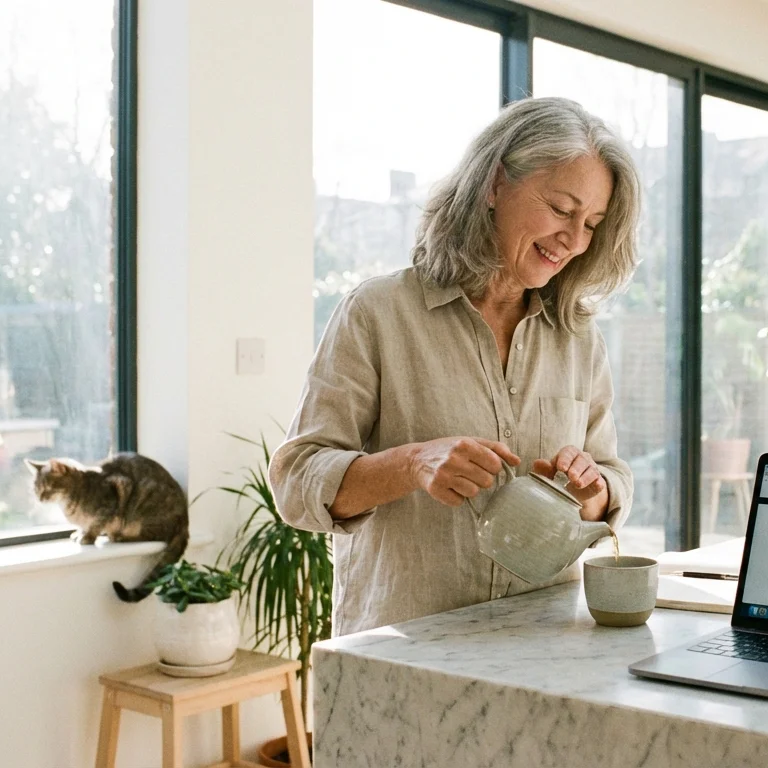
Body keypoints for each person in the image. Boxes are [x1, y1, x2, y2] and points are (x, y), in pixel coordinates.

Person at [270, 97, 641, 636]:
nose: (574, 239)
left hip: (543, 650)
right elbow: (296, 480)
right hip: (404, 661)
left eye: (592, 223)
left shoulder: (579, 339)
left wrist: (596, 490)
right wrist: (412, 464)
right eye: (562, 209)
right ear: (494, 185)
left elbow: (611, 475)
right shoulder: (378, 312)